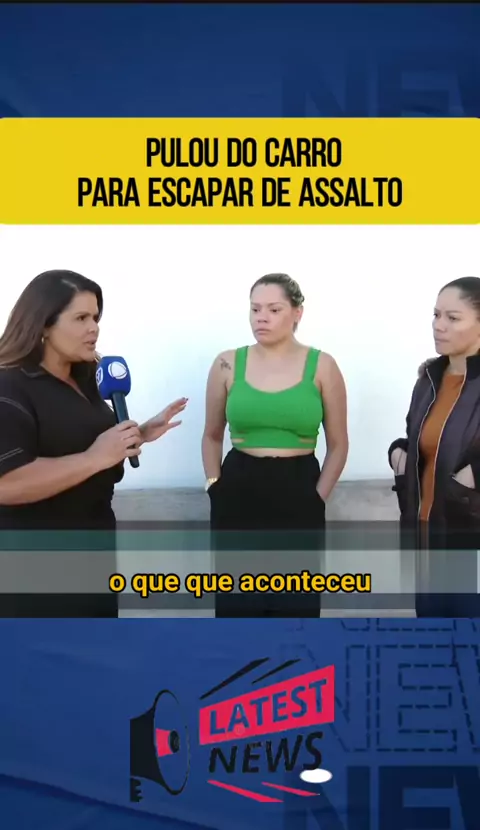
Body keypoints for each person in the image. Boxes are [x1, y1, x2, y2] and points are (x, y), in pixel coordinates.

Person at [0, 269, 187, 618]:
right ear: (44, 324)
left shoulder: (87, 379)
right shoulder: (9, 386)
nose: (94, 328)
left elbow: (82, 440)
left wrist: (137, 434)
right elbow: (7, 483)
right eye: (81, 318)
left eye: (96, 318)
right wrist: (94, 458)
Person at [202, 272, 348, 617]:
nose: (261, 318)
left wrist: (317, 498)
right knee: (238, 600)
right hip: (238, 484)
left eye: (273, 309)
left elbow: (339, 444)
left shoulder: (322, 366)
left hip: (298, 485)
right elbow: (212, 434)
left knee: (295, 601)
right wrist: (214, 486)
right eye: (255, 309)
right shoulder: (227, 363)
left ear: (297, 312)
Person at [388, 276, 480, 617]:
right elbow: (425, 441)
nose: (439, 325)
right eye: (436, 315)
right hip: (427, 537)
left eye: (453, 318)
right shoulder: (429, 380)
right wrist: (400, 453)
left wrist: (474, 474)